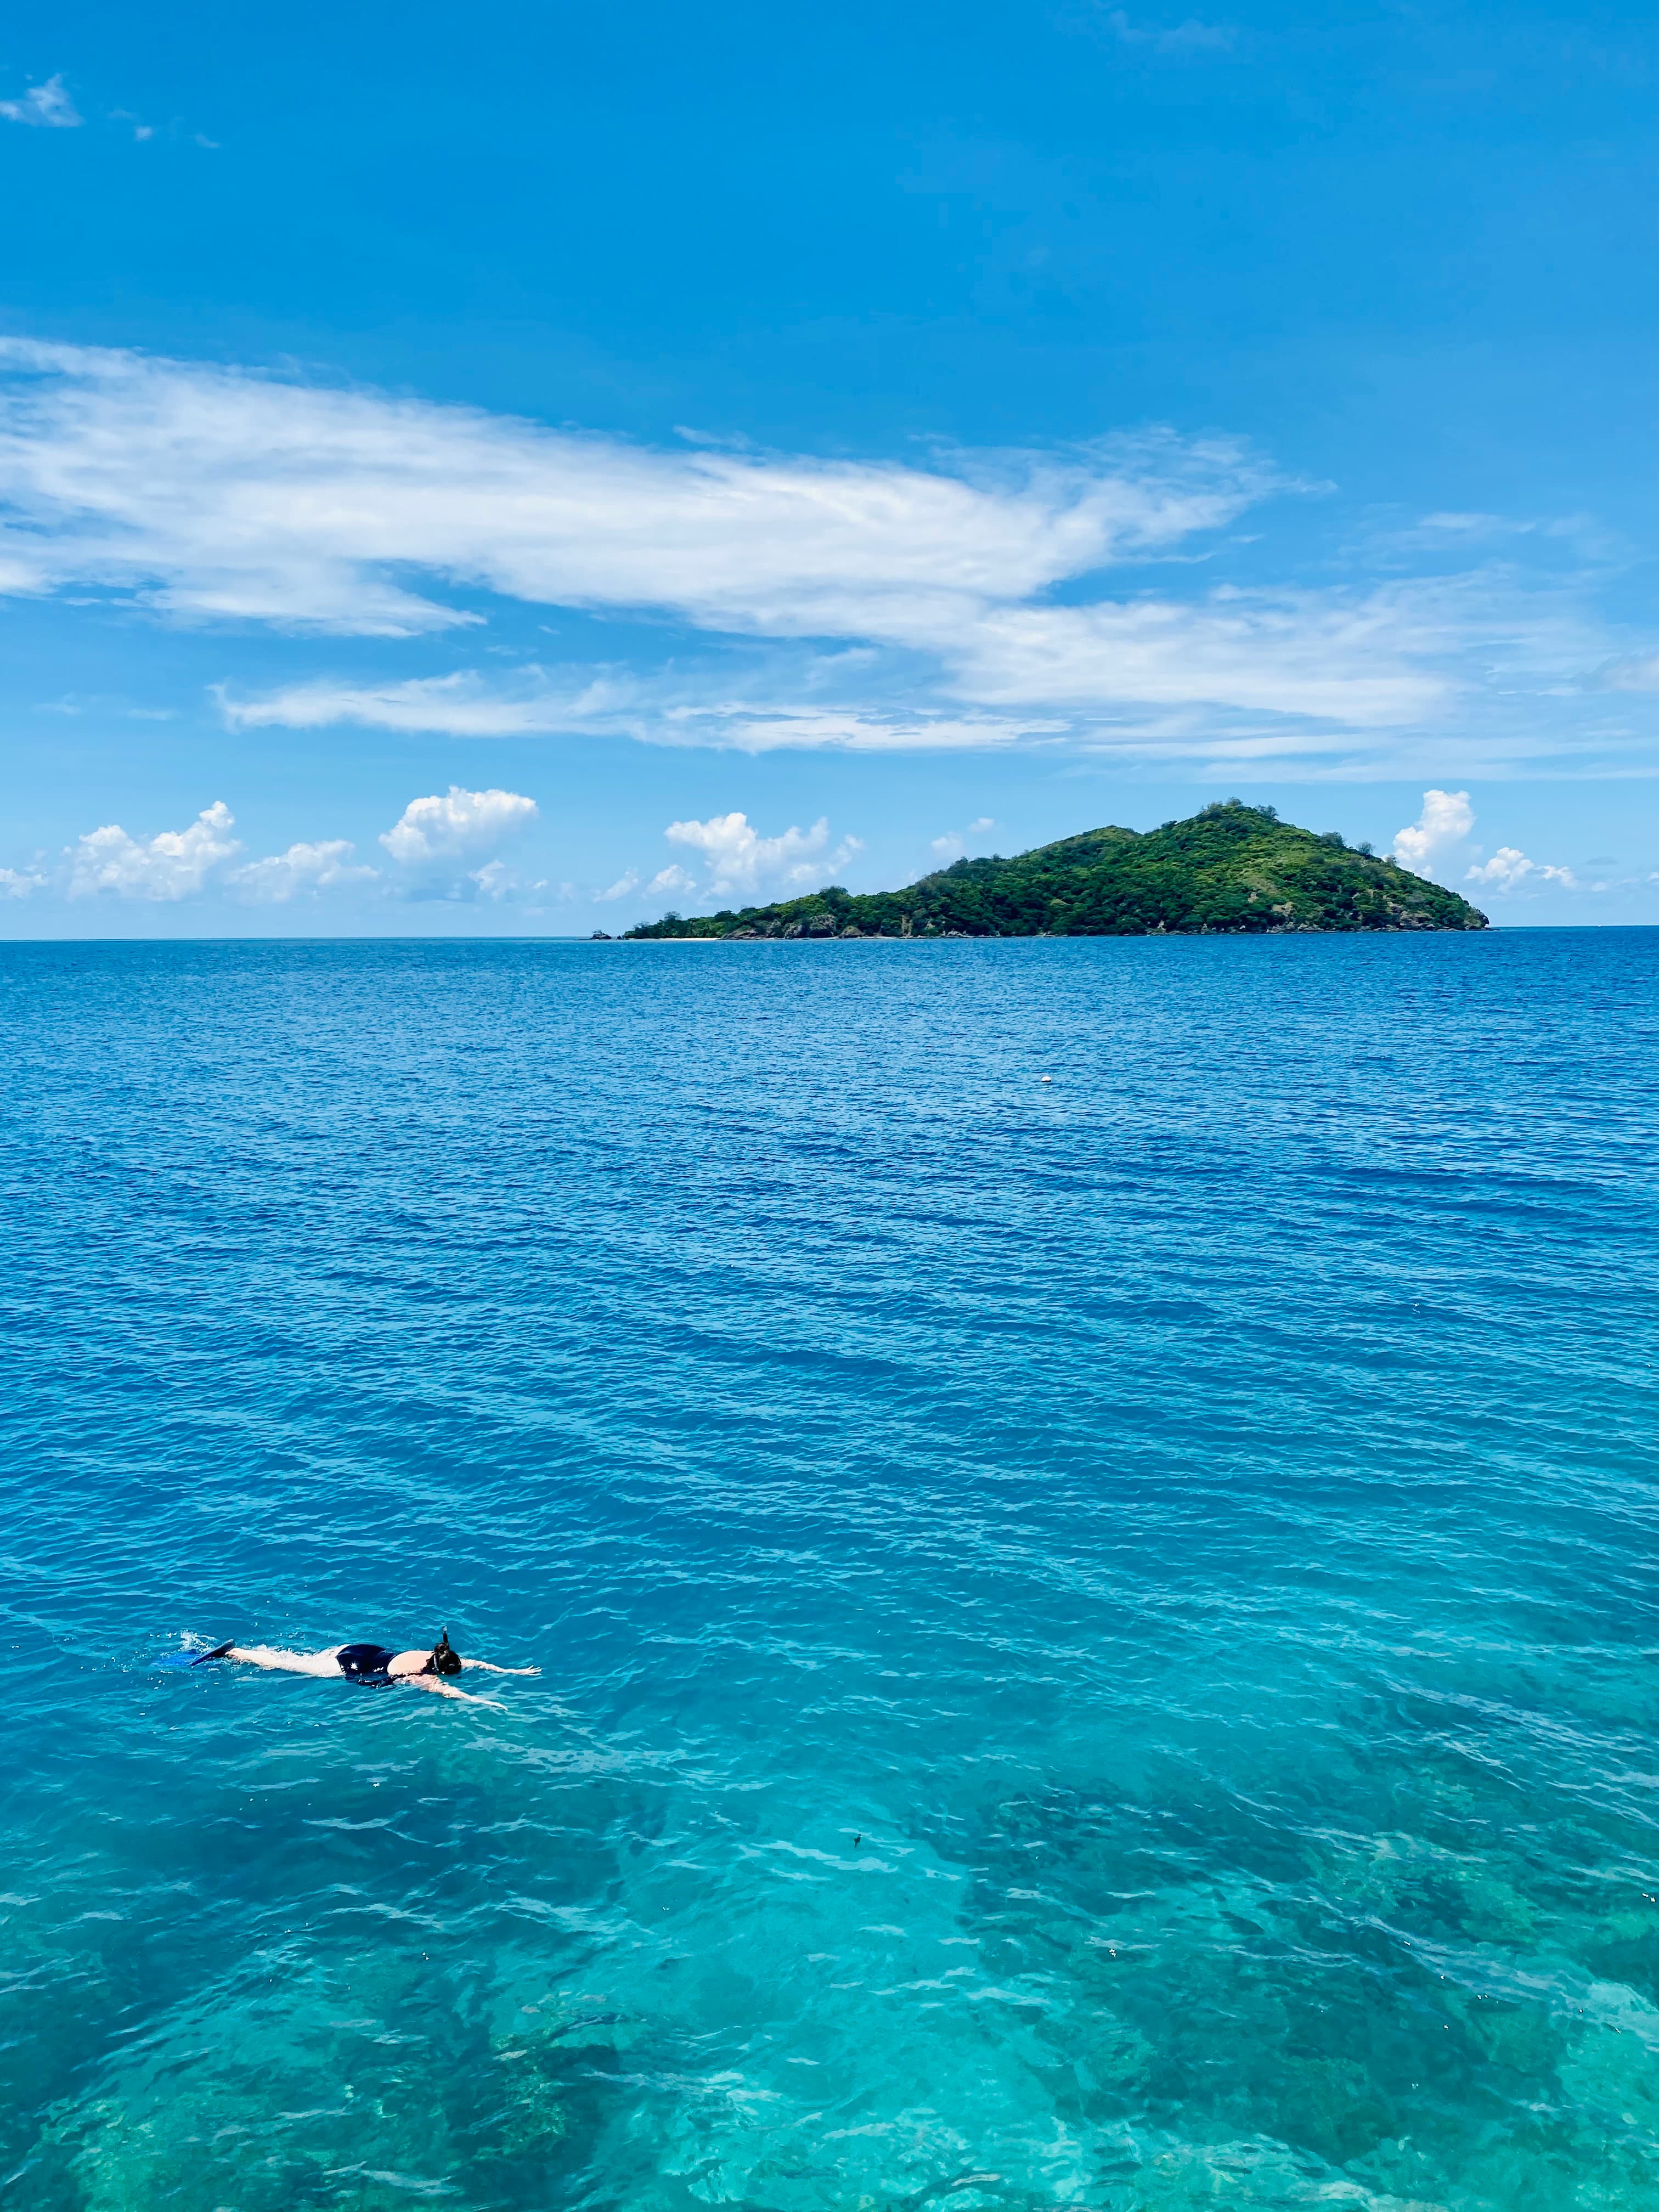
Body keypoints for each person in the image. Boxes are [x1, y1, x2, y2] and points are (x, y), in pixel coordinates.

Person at [188, 1628, 535, 1705]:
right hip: (353, 1664)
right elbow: (454, 1693)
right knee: (287, 1666)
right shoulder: (425, 1678)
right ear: (442, 1670)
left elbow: (478, 1664)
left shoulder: (439, 1654)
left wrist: (514, 1673)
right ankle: (235, 1655)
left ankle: (248, 1651)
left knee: (301, 1658)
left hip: (360, 1648)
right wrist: (490, 1703)